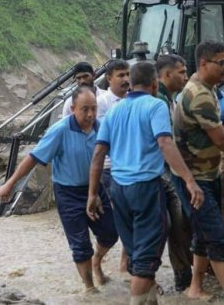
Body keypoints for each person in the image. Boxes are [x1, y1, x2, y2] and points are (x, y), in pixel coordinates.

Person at [87, 62, 203, 305]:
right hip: (146, 188)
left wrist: (92, 193)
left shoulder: (115, 111)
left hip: (117, 189)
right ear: (154, 84)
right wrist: (189, 180)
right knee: (145, 262)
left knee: (138, 256)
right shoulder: (155, 105)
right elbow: (165, 144)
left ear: (131, 84)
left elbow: (98, 153)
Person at [0, 86, 118, 292]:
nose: (90, 114)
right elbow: (34, 158)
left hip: (95, 189)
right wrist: (10, 183)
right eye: (85, 109)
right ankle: (90, 288)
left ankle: (97, 262)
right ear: (73, 109)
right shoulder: (60, 130)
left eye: (94, 109)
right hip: (68, 193)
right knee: (81, 245)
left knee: (111, 233)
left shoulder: (100, 128)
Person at [172, 41, 224, 305]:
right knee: (217, 235)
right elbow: (221, 138)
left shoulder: (205, 88)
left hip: (207, 172)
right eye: (222, 63)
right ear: (203, 63)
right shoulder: (200, 94)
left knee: (203, 234)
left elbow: (208, 137)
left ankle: (195, 288)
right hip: (195, 179)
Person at [155, 54, 193, 292]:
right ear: (166, 75)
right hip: (162, 173)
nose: (185, 76)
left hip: (167, 171)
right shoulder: (158, 101)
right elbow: (165, 144)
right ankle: (180, 274)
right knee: (174, 222)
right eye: (181, 72)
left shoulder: (171, 99)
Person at [94, 59, 131, 279]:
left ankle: (124, 265)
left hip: (128, 167)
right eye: (120, 75)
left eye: (127, 74)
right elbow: (102, 137)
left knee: (130, 216)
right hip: (109, 169)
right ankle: (97, 262)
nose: (126, 79)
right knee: (115, 222)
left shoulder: (133, 100)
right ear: (109, 79)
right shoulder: (103, 102)